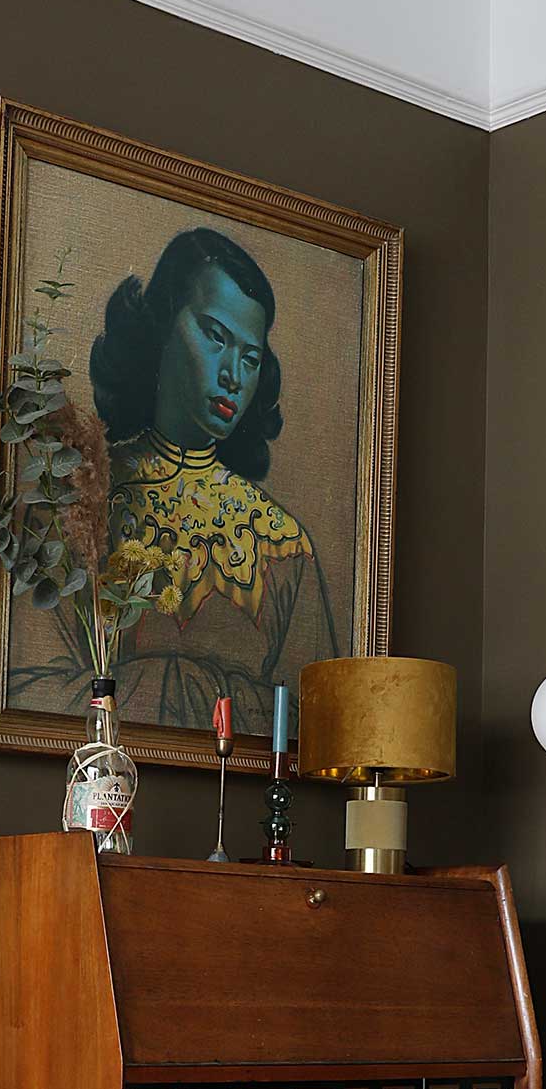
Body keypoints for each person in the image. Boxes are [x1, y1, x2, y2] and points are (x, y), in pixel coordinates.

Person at [79, 228, 340, 733]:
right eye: (216, 338)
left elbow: (319, 723)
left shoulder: (284, 543)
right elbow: (39, 683)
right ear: (160, 329)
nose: (232, 377)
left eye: (250, 357)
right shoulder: (82, 500)